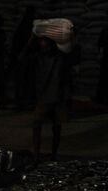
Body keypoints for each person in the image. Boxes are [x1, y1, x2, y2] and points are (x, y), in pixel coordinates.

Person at [23, 35, 79, 163]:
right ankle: (36, 155)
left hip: (57, 97)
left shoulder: (60, 57)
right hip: (43, 96)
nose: (43, 44)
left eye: (45, 41)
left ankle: (53, 154)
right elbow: (22, 60)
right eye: (41, 41)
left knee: (56, 126)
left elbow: (68, 75)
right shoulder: (38, 57)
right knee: (37, 124)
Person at [9, 7, 36, 109]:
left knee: (26, 80)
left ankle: (24, 101)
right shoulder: (25, 29)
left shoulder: (25, 28)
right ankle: (21, 101)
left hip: (24, 58)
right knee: (23, 80)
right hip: (22, 58)